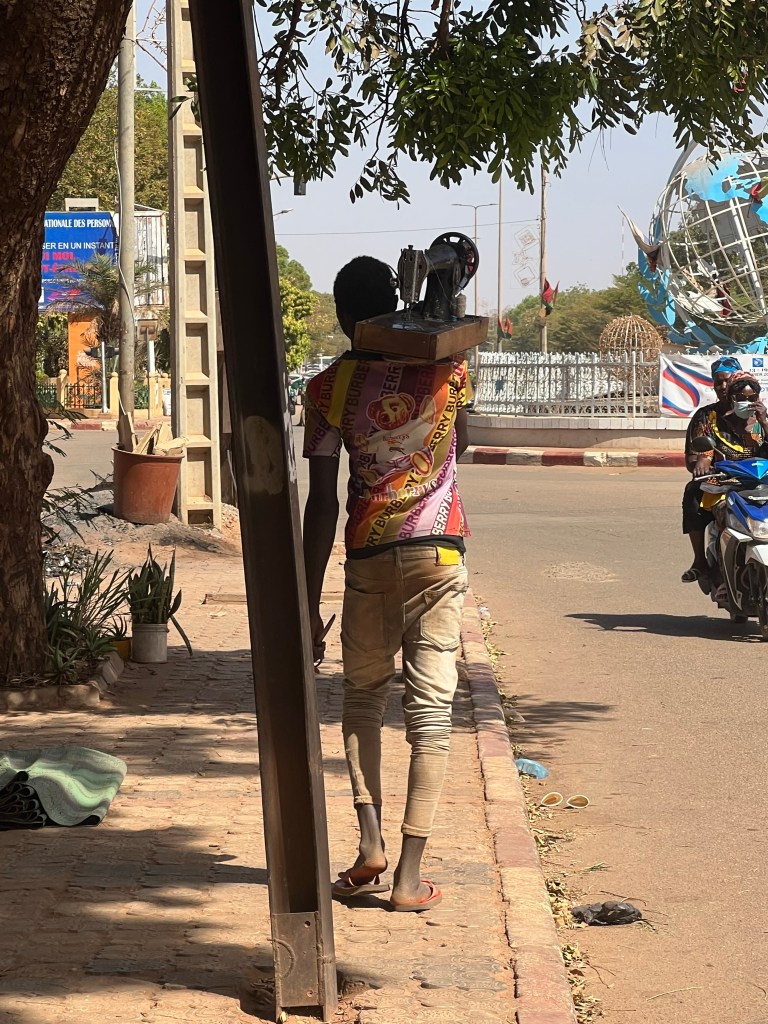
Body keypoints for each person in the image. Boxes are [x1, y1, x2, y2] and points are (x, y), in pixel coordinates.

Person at [302, 255, 470, 913]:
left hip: (368, 555)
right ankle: (408, 876)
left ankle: (370, 843)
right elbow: (464, 443)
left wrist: (307, 601)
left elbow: (320, 502)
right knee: (430, 715)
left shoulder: (325, 389)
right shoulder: (448, 370)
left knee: (363, 699)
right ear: (396, 302)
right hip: (439, 553)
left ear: (342, 314)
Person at [680, 355, 740, 582]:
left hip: (754, 480)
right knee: (693, 492)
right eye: (718, 382)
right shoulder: (705, 416)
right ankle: (700, 561)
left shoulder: (757, 416)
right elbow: (692, 458)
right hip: (720, 480)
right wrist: (702, 462)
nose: (723, 387)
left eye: (728, 381)